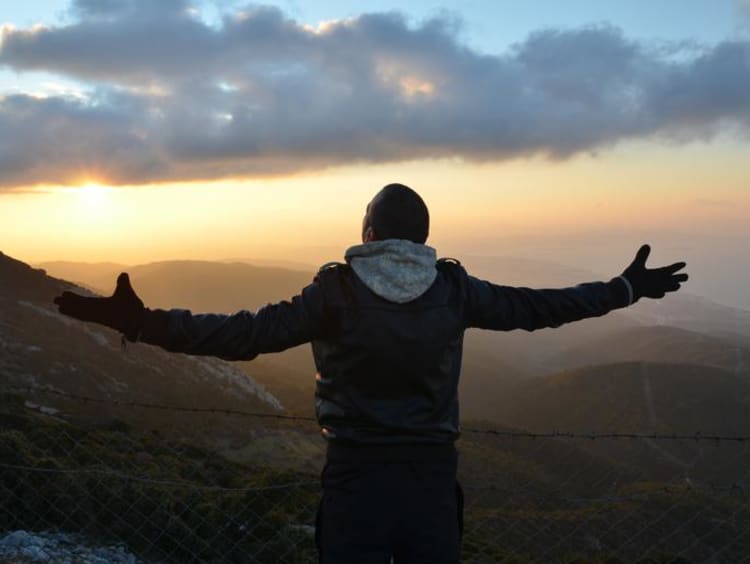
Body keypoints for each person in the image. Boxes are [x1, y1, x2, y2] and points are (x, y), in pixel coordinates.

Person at [54, 183, 688, 563]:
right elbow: (538, 308)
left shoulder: (332, 292)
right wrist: (624, 289)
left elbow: (240, 333)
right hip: (432, 479)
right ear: (421, 237)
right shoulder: (455, 288)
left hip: (355, 475)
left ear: (369, 231)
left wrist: (141, 322)